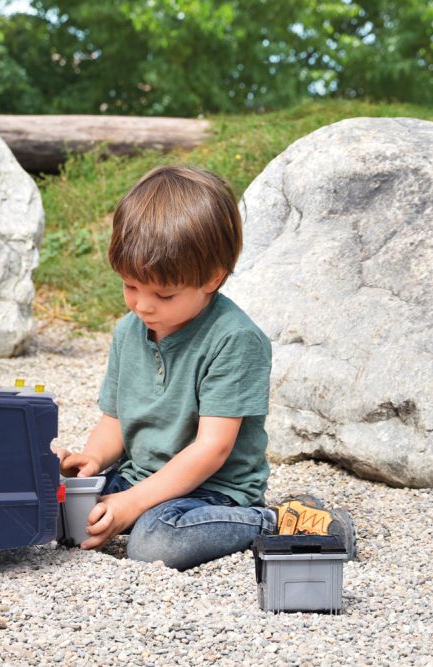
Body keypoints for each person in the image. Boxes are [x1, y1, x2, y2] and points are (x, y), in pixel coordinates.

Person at [57, 165, 354, 570]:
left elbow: (212, 449)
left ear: (212, 278)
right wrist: (92, 459)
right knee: (58, 506)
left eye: (164, 294)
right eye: (130, 286)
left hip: (212, 492)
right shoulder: (129, 331)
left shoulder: (234, 339)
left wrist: (133, 503)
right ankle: (131, 508)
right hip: (140, 477)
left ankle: (280, 521)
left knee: (156, 543)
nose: (142, 305)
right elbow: (115, 420)